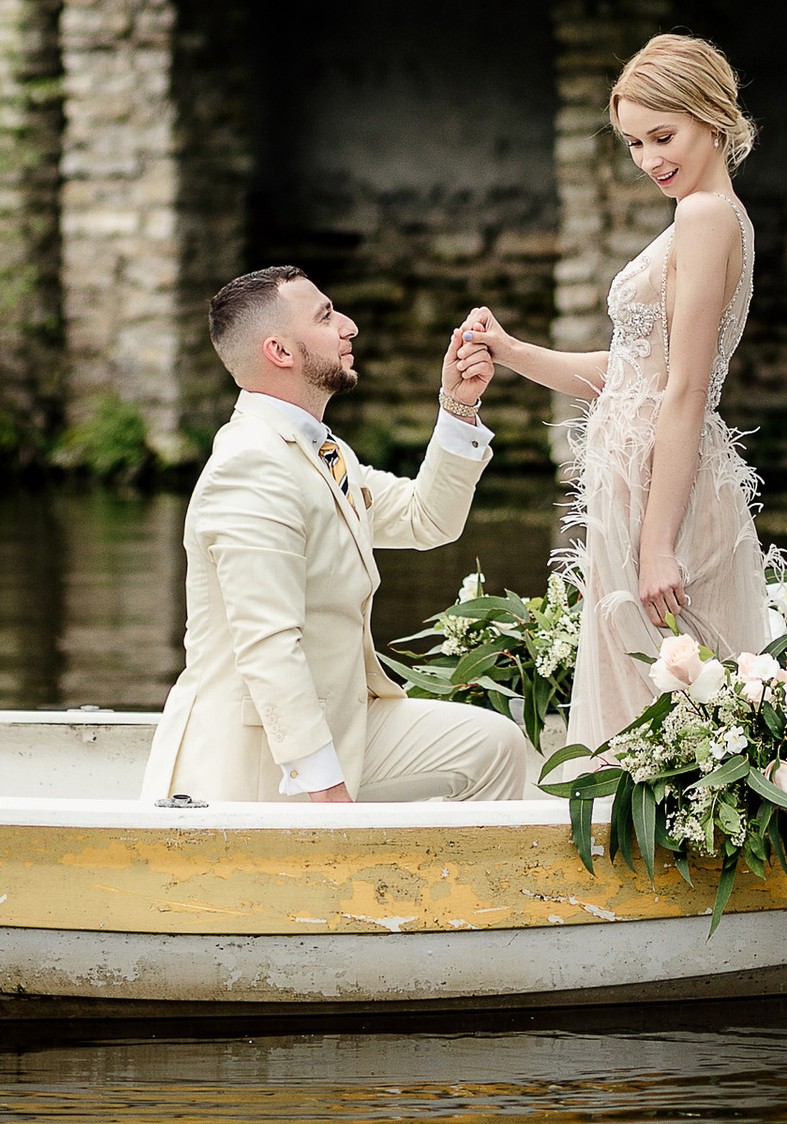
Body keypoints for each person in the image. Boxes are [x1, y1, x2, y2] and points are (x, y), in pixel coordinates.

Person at [464, 30, 767, 749]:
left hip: (661, 487)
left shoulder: (703, 216)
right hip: (641, 477)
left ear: (713, 116)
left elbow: (688, 388)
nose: (650, 160)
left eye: (663, 136)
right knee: (653, 690)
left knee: (657, 693)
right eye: (634, 144)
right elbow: (637, 375)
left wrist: (658, 544)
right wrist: (512, 353)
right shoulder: (713, 216)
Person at [141, 264, 532, 808]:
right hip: (263, 757)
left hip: (345, 716)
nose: (349, 326)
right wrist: (322, 785)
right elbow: (268, 642)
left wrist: (459, 406)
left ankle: (454, 894)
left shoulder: (321, 452)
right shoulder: (251, 466)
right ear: (281, 351)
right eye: (326, 317)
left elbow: (428, 518)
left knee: (494, 748)